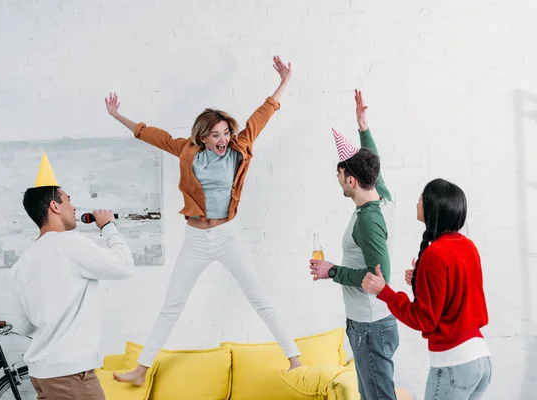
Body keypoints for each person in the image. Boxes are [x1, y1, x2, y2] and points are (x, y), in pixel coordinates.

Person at [105, 55, 302, 386]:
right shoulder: (187, 151)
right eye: (215, 135)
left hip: (227, 237)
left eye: (225, 132)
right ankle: (140, 371)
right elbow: (150, 134)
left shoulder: (239, 148)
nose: (223, 139)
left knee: (260, 298)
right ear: (203, 137)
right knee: (171, 307)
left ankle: (295, 361)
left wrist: (284, 82)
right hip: (195, 241)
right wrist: (117, 116)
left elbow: (262, 114)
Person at [10, 152, 135, 399]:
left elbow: (22, 325)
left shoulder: (21, 263)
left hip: (41, 373)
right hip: (69, 372)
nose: (74, 206)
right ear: (54, 206)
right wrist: (108, 227)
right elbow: (124, 266)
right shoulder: (70, 243)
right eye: (69, 199)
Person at [362, 178, 492, 400]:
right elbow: (456, 294)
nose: (417, 202)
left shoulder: (435, 253)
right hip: (481, 361)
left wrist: (385, 292)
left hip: (454, 364)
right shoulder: (468, 246)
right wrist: (420, 281)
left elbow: (425, 319)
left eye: (421, 198)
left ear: (434, 207)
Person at [308, 90, 399, 400]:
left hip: (370, 326)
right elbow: (374, 162)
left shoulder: (367, 221)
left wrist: (333, 271)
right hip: (369, 323)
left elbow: (378, 278)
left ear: (350, 181)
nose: (337, 177)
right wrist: (363, 126)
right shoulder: (380, 195)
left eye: (340, 173)